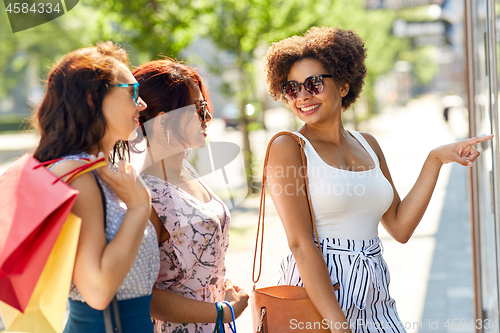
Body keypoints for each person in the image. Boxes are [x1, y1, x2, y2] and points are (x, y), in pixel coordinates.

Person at [263, 26, 492, 333]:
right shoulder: (288, 147)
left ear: (344, 85)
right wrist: (338, 325)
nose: (303, 96)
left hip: (374, 291)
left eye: (313, 83)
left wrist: (435, 159)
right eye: (292, 88)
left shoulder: (368, 143)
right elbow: (301, 244)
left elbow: (399, 226)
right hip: (319, 296)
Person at [32, 42, 160, 332]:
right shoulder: (78, 176)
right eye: (132, 93)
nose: (142, 104)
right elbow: (98, 290)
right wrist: (140, 207)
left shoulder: (98, 171)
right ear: (92, 99)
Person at [132, 59, 248, 333]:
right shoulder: (146, 194)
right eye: (199, 108)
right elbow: (144, 295)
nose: (207, 117)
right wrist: (224, 311)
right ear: (161, 122)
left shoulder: (185, 168)